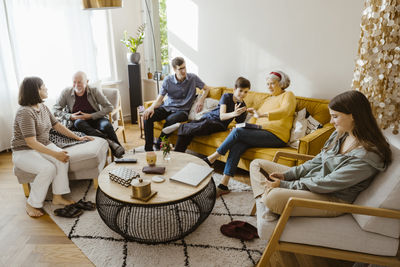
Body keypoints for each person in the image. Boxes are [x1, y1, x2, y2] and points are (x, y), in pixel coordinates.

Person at [250, 90, 392, 220]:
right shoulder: (340, 134)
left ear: (353, 116)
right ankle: (268, 200)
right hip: (314, 180)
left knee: (274, 197)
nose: (331, 122)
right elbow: (317, 160)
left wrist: (286, 185)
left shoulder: (369, 155)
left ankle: (269, 200)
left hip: (332, 198)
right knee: (257, 164)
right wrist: (287, 175)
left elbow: (329, 182)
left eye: (335, 117)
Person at [11, 77, 94, 217]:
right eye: (44, 86)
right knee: (48, 168)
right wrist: (55, 154)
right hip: (24, 151)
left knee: (63, 159)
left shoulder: (42, 107)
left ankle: (58, 197)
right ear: (35, 91)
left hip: (43, 144)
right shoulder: (25, 112)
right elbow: (31, 142)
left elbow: (57, 125)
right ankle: (31, 203)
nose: (46, 88)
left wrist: (78, 137)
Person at [203, 71, 296, 197]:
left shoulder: (288, 95)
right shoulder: (268, 99)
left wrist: (262, 115)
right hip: (261, 132)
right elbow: (254, 119)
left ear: (281, 83)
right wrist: (240, 127)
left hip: (276, 136)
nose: (269, 86)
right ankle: (223, 185)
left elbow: (285, 111)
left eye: (272, 83)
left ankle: (212, 158)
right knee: (237, 144)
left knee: (238, 133)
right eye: (267, 84)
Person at [143, 57, 211, 151]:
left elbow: (207, 89)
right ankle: (148, 149)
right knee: (147, 117)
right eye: (180, 69)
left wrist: (201, 100)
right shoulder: (168, 80)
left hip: (182, 111)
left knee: (171, 119)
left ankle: (159, 143)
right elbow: (159, 100)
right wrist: (151, 108)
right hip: (167, 107)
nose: (184, 71)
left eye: (184, 67)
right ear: (174, 69)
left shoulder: (193, 78)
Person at [53, 71, 125, 158]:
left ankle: (119, 151)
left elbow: (109, 107)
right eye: (74, 82)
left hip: (96, 118)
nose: (76, 85)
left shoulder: (94, 91)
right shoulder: (66, 92)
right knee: (78, 123)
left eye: (79, 82)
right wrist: (70, 116)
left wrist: (90, 116)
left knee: (106, 126)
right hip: (78, 120)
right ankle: (110, 142)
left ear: (87, 81)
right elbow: (55, 109)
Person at [174, 77, 253, 152]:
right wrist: (234, 113)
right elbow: (222, 115)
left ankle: (180, 127)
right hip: (208, 117)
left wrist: (244, 113)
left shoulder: (243, 106)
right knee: (189, 131)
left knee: (195, 127)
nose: (243, 94)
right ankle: (178, 153)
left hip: (219, 124)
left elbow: (237, 122)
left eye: (245, 92)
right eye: (240, 91)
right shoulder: (227, 97)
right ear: (234, 89)